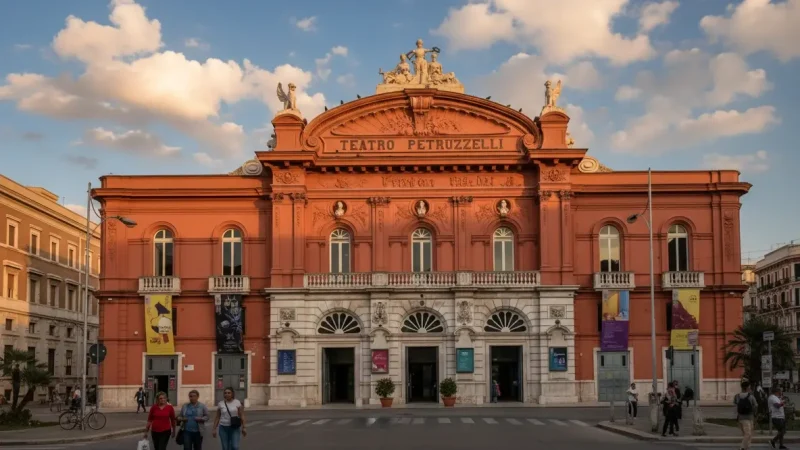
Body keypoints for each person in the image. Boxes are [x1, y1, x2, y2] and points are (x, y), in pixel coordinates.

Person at [734, 381, 758, 450]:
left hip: (740, 418)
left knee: (746, 434)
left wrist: (736, 417)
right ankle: (742, 447)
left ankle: (747, 447)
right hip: (749, 417)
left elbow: (735, 407)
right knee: (748, 434)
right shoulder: (751, 396)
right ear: (748, 387)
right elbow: (756, 406)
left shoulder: (737, 396)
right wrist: (755, 414)